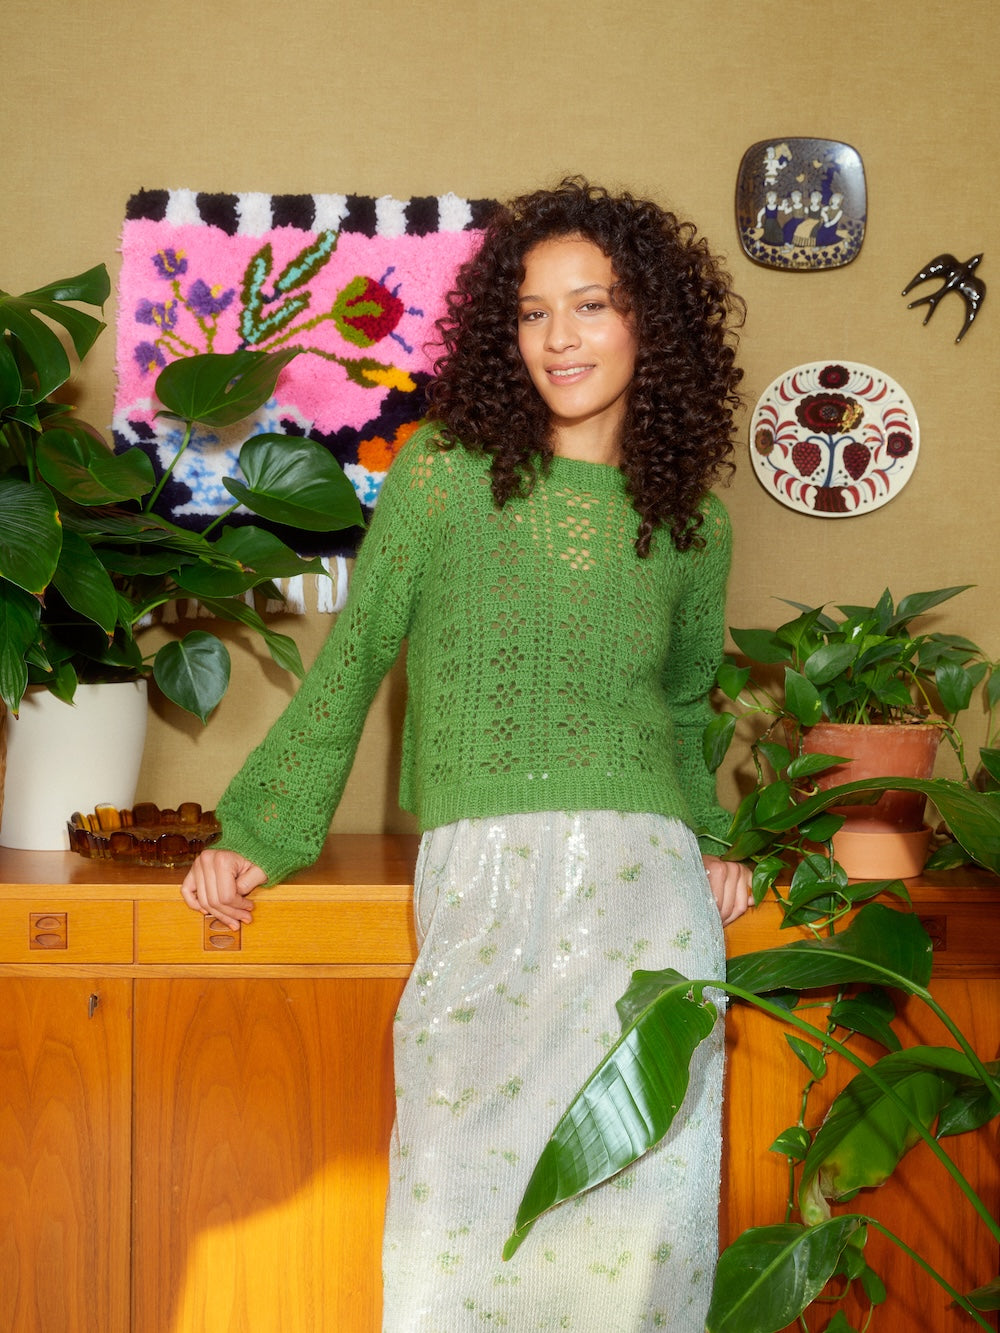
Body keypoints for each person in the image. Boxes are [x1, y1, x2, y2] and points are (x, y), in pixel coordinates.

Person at [181, 176, 752, 1332]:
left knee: (638, 1230)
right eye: (535, 312)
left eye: (591, 305)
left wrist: (715, 843)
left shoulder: (691, 516)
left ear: (651, 321)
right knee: (458, 1228)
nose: (561, 337)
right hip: (483, 886)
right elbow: (355, 658)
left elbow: (688, 707)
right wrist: (260, 833)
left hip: (646, 901)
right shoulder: (443, 472)